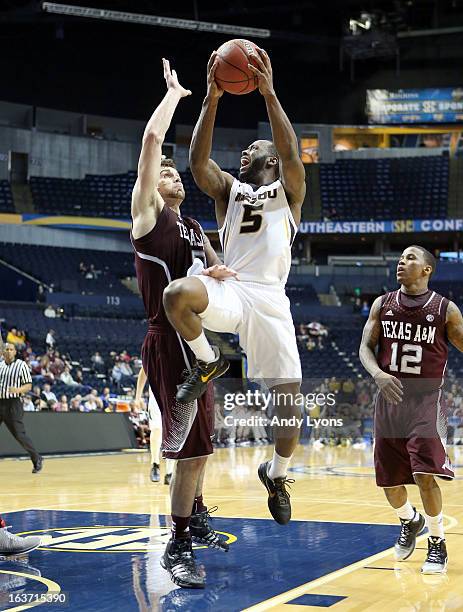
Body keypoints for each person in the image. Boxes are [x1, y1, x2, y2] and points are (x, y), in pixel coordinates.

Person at [163, 47, 306, 525]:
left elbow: (289, 150)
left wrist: (269, 94)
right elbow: (198, 162)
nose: (247, 150)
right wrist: (211, 98)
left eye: (255, 148)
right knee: (177, 295)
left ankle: (277, 472)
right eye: (245, 148)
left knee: (289, 413)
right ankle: (208, 361)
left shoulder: (289, 190)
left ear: (270, 160)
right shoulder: (229, 190)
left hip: (269, 298)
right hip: (232, 287)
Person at [130, 59, 230, 589]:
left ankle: (194, 512)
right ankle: (178, 545)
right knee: (188, 451)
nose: (172, 176)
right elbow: (151, 140)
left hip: (200, 344)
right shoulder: (148, 214)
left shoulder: (193, 225)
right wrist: (175, 96)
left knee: (204, 449)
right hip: (167, 343)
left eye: (176, 173)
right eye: (166, 172)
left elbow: (216, 273)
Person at [359, 245, 463, 574]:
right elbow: (365, 347)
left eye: (410, 258)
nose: (401, 262)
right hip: (389, 401)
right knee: (389, 481)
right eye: (400, 257)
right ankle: (410, 520)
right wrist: (378, 374)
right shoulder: (383, 304)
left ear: (427, 270)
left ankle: (437, 542)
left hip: (425, 401)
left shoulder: (445, 310)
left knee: (424, 474)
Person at [0, 343, 42, 473]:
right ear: (3, 352)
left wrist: (17, 389)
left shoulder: (21, 365)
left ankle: (36, 458)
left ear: (15, 352)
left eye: (11, 349)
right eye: (6, 349)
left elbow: (28, 385)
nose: (8, 351)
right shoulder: (0, 365)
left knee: (19, 434)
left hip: (13, 403)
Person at [135, 366, 174, 485]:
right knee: (157, 428)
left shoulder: (182, 350)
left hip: (176, 396)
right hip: (157, 396)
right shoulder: (153, 348)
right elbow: (143, 372)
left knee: (173, 433)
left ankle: (170, 473)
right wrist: (138, 397)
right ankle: (155, 464)